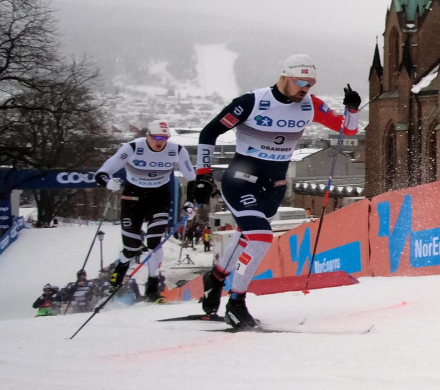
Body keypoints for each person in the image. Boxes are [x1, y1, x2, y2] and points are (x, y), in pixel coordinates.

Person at [192, 54, 360, 329]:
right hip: (241, 180)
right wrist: (202, 175)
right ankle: (236, 302)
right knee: (259, 237)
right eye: (301, 81)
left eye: (311, 83)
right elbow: (209, 133)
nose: (306, 88)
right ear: (284, 76)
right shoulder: (252, 102)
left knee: (246, 236)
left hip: (275, 185)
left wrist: (352, 108)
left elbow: (347, 130)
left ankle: (217, 276)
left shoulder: (310, 104)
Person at [94, 119, 198, 304]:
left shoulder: (177, 150)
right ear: (147, 136)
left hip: (159, 199)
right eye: (157, 137)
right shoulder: (132, 148)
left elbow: (191, 179)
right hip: (132, 199)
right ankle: (121, 268)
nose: (160, 141)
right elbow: (102, 173)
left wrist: (190, 202)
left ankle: (152, 285)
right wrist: (108, 183)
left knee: (154, 242)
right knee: (132, 246)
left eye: (165, 137)